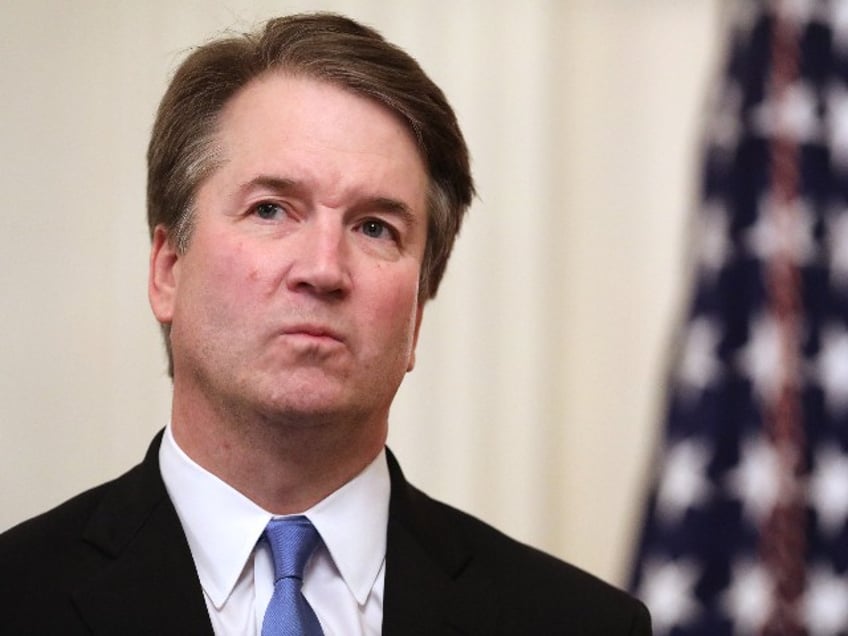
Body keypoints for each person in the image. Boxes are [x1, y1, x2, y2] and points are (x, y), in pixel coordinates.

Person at [0, 12, 651, 635]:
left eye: (375, 228)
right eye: (271, 210)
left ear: (418, 314)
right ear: (168, 270)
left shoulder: (576, 623)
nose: (323, 269)